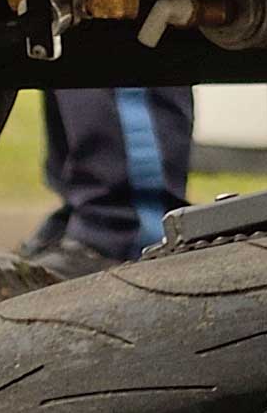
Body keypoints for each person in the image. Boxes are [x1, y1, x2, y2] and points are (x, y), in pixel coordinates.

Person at [22, 84, 192, 277]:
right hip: (78, 217)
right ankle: (82, 226)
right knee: (60, 62)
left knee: (114, 60)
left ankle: (124, 231)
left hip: (124, 242)